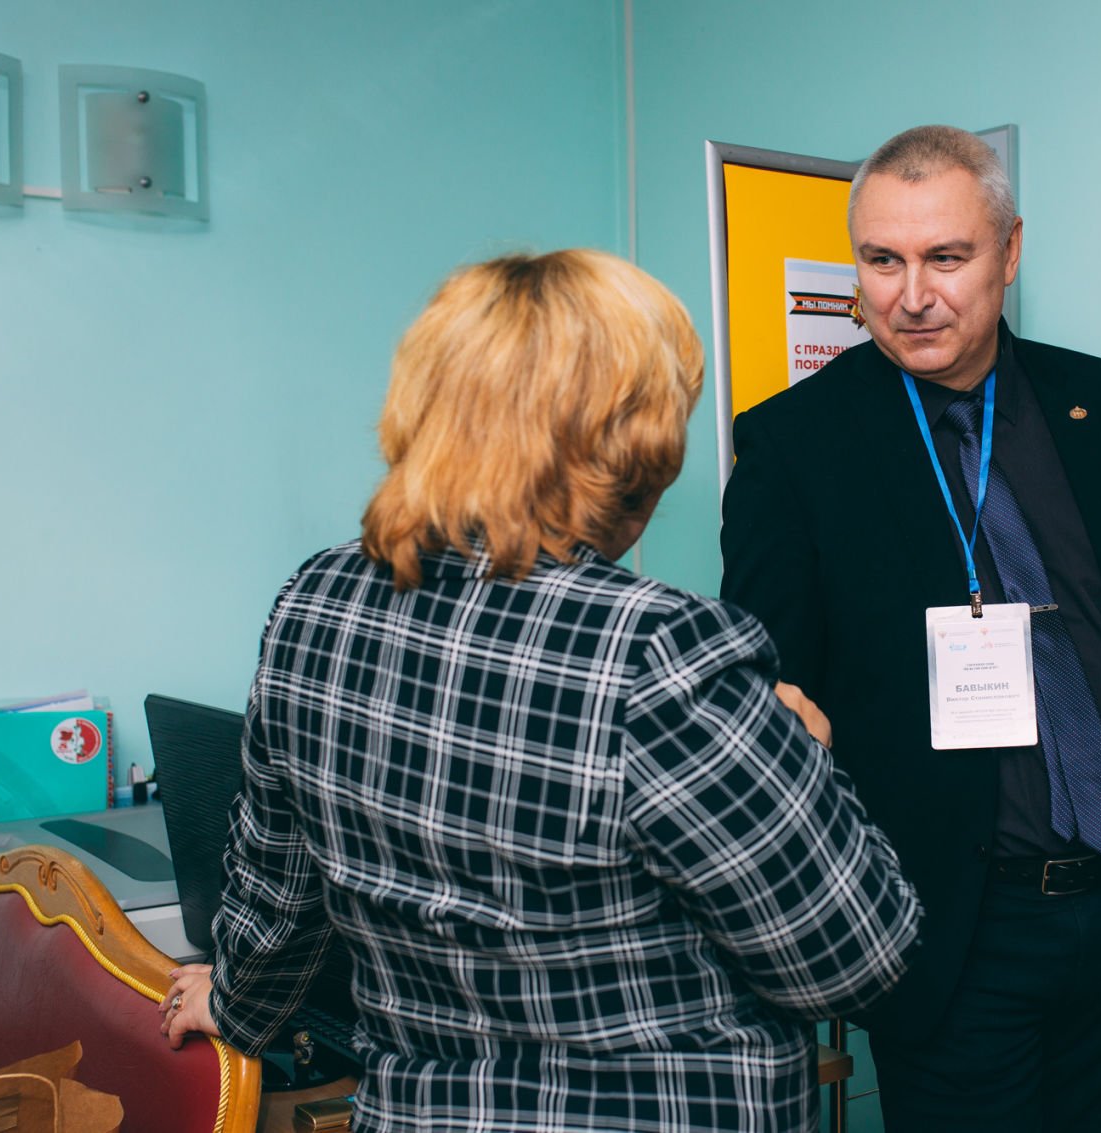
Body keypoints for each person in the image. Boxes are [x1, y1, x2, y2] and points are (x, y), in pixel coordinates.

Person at [159, 249, 922, 1132]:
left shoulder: (315, 604)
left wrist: (236, 1002)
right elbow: (853, 958)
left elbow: (278, 892)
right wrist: (800, 759)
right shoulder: (660, 653)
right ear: (629, 445)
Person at [720, 125, 1101, 1133]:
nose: (912, 294)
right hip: (952, 932)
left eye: (945, 257)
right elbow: (774, 707)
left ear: (1009, 252)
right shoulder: (795, 445)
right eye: (882, 260)